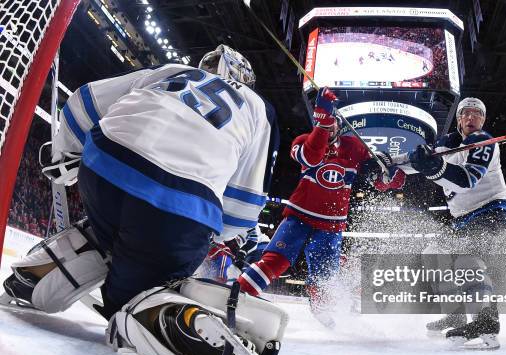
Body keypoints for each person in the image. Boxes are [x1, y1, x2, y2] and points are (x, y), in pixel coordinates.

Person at [4, 44, 280, 320]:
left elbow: (83, 102)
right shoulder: (258, 109)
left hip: (103, 164)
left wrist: (65, 155)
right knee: (136, 301)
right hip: (179, 203)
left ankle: (37, 277)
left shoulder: (172, 71)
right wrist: (208, 235)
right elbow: (241, 211)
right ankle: (144, 310)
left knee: (109, 236)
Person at [233, 87, 404, 326]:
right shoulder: (304, 140)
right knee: (275, 261)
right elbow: (311, 158)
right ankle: (235, 298)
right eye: (326, 120)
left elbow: (376, 176)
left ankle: (322, 307)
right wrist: (321, 126)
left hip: (331, 226)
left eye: (334, 121)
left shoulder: (354, 146)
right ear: (319, 119)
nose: (331, 125)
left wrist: (390, 178)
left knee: (325, 277)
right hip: (299, 217)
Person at [390, 97, 506, 349]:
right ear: (458, 119)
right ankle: (456, 312)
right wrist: (389, 162)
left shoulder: (483, 141)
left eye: (476, 114)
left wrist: (433, 167)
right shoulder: (447, 144)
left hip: (492, 212)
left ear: (483, 119)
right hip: (464, 219)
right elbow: (415, 161)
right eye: (465, 113)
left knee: (467, 259)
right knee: (433, 254)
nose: (470, 118)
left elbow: (466, 180)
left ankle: (486, 323)